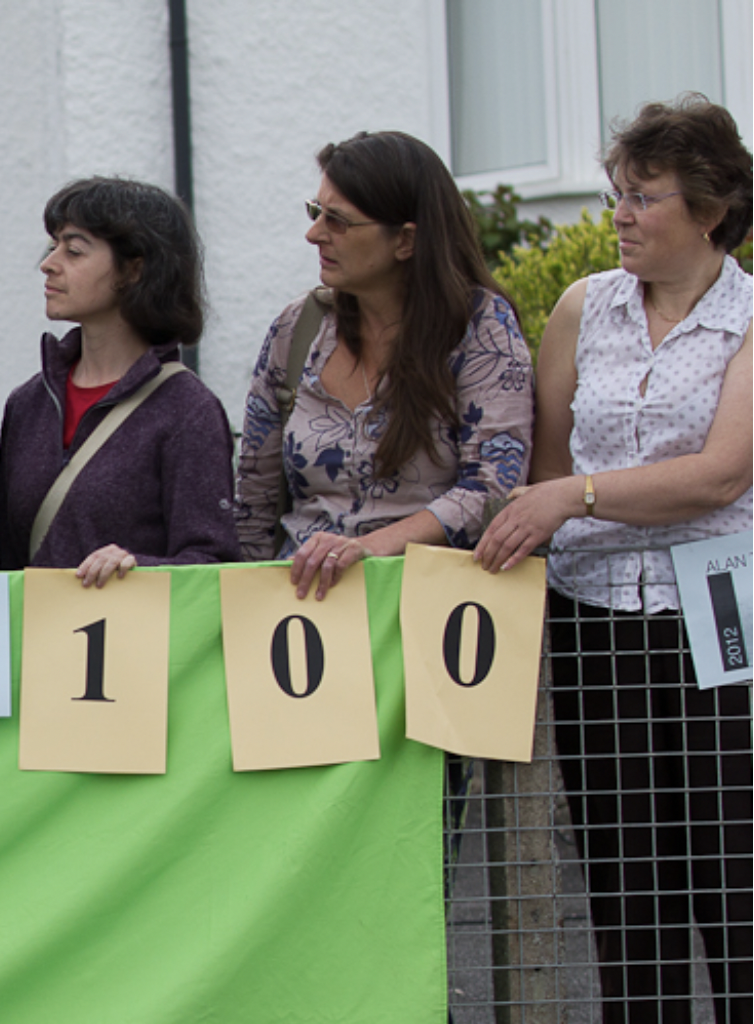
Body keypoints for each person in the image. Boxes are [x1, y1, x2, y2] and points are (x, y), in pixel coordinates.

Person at [472, 95, 750, 1021]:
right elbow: (545, 472)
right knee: (629, 892)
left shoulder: (751, 321)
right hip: (596, 617)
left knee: (732, 872)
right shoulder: (582, 309)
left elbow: (718, 478)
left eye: (645, 197)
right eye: (616, 194)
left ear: (710, 212)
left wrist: (576, 497)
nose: (619, 215)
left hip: (719, 618)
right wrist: (549, 504)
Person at [232, 130, 533, 600]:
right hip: (302, 623)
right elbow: (254, 497)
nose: (314, 234)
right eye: (316, 212)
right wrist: (244, 611)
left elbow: (493, 488)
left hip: (432, 619)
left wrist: (369, 548)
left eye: (338, 221)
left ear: (406, 241)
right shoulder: (299, 327)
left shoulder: (480, 327)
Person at [0, 177, 237, 584]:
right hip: (38, 645)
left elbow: (214, 563)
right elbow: (8, 563)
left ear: (134, 269)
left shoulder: (187, 409)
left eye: (73, 250)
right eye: (53, 245)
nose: (49, 263)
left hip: (138, 645)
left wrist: (138, 569)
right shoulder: (27, 404)